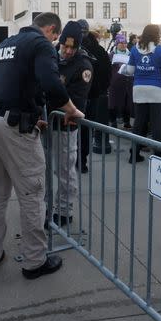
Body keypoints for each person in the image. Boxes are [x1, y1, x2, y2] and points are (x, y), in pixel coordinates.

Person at [0, 12, 84, 279]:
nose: (55, 41)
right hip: (14, 128)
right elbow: (50, 84)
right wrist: (72, 110)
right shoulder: (40, 44)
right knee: (32, 194)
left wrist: (35, 114)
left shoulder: (5, 44)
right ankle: (34, 261)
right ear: (50, 29)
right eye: (56, 36)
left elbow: (18, 84)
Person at [48, 21, 92, 226]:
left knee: (65, 171)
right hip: (46, 123)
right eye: (64, 46)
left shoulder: (83, 65)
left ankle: (64, 210)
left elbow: (78, 99)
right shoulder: (50, 55)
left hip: (66, 126)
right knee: (45, 169)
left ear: (78, 47)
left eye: (71, 48)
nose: (66, 51)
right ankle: (47, 208)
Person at [121, 24, 161, 162]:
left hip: (139, 89)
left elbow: (130, 71)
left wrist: (123, 69)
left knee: (139, 123)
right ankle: (158, 157)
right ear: (156, 35)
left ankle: (134, 154)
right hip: (156, 90)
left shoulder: (134, 49)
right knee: (156, 125)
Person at [78, 19, 112, 169]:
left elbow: (106, 74)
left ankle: (77, 159)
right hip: (90, 96)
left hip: (81, 96)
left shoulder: (75, 47)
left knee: (76, 129)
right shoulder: (99, 50)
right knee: (85, 129)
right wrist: (100, 90)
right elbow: (107, 74)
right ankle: (82, 160)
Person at [108, 33, 133, 130]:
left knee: (127, 104)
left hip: (128, 82)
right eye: (121, 43)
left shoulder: (130, 54)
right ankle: (113, 121)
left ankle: (127, 122)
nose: (123, 45)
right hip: (115, 84)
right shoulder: (112, 55)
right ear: (117, 44)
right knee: (113, 103)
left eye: (125, 43)